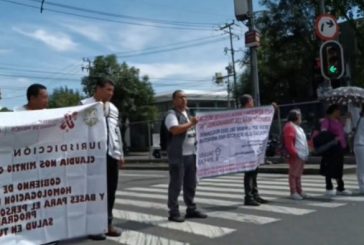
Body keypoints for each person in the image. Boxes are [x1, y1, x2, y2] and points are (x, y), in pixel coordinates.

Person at [81, 79, 124, 239]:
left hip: (111, 154)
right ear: (97, 89)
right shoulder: (84, 105)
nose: (110, 93)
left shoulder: (113, 108)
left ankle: (107, 224)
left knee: (110, 191)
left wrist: (120, 154)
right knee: (93, 192)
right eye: (107, 90)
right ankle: (92, 227)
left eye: (112, 90)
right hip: (91, 157)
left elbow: (116, 132)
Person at [165, 90, 207, 222]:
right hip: (179, 156)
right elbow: (175, 129)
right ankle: (173, 212)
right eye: (180, 97)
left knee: (191, 184)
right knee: (176, 185)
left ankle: (191, 209)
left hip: (191, 154)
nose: (184, 99)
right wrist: (191, 123)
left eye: (185, 97)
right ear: (174, 101)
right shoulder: (171, 114)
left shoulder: (188, 113)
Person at [240, 94, 269, 206]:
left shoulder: (251, 114)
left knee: (255, 172)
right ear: (248, 102)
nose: (253, 103)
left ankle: (255, 194)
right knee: (249, 172)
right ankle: (248, 197)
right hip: (247, 147)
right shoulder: (241, 115)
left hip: (254, 146)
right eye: (252, 100)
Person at [320, 104, 351, 196]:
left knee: (339, 167)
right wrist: (333, 138)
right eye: (338, 110)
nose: (340, 112)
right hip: (331, 148)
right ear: (334, 111)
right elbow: (323, 133)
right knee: (329, 167)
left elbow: (346, 130)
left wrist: (348, 119)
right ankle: (329, 187)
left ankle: (340, 187)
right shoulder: (326, 121)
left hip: (340, 147)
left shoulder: (338, 121)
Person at [283, 109, 309, 200]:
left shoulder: (298, 127)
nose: (301, 118)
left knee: (298, 174)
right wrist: (294, 153)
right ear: (296, 117)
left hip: (301, 154)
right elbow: (289, 143)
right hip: (296, 154)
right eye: (299, 116)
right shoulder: (290, 126)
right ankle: (293, 191)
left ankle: (299, 190)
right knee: (293, 174)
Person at [349, 104, 364, 194]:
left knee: (361, 167)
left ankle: (362, 185)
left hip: (358, 145)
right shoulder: (358, 119)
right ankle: (362, 186)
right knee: (361, 167)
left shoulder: (357, 119)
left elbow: (348, 130)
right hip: (360, 144)